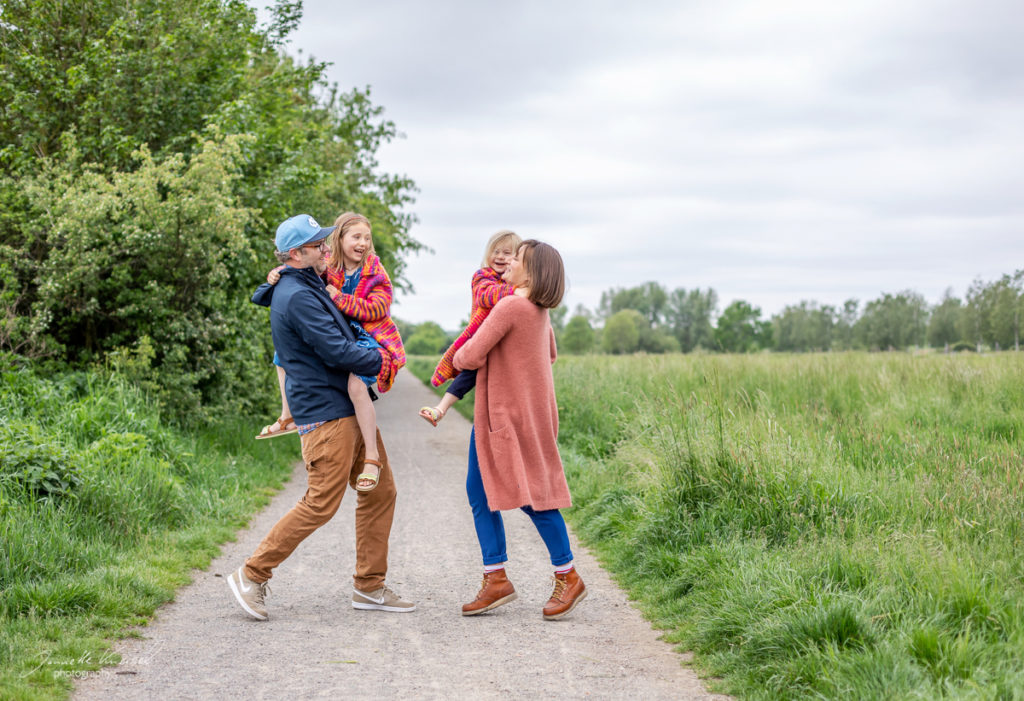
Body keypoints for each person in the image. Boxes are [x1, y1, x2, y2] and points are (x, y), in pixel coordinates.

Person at [227, 214, 414, 621]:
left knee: (380, 491)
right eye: (318, 245)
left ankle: (370, 587)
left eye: (326, 242)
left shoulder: (308, 281)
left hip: (347, 406)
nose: (327, 249)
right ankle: (251, 574)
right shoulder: (297, 296)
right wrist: (383, 358)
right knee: (320, 504)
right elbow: (338, 351)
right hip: (327, 413)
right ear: (297, 253)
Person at [452, 239, 586, 620]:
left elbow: (468, 355)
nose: (508, 261)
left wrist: (485, 352)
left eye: (518, 258)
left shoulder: (510, 305)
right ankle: (496, 578)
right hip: (529, 414)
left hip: (504, 417)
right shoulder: (539, 312)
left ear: (533, 270)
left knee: (530, 497)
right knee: (481, 492)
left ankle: (568, 574)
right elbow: (550, 355)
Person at [262, 212, 405, 492]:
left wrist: (339, 298)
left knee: (355, 385)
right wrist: (276, 274)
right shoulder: (332, 267)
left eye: (367, 237)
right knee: (281, 355)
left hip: (371, 337)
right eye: (356, 237)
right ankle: (286, 414)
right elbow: (304, 275)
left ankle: (371, 457)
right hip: (349, 334)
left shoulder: (374, 269)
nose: (363, 243)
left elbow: (379, 309)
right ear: (339, 241)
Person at [418, 230, 520, 426]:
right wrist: (518, 291)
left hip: (505, 343)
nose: (499, 256)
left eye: (506, 253)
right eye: (495, 251)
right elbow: (486, 296)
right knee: (468, 374)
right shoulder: (482, 276)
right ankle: (441, 409)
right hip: (481, 338)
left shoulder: (515, 281)